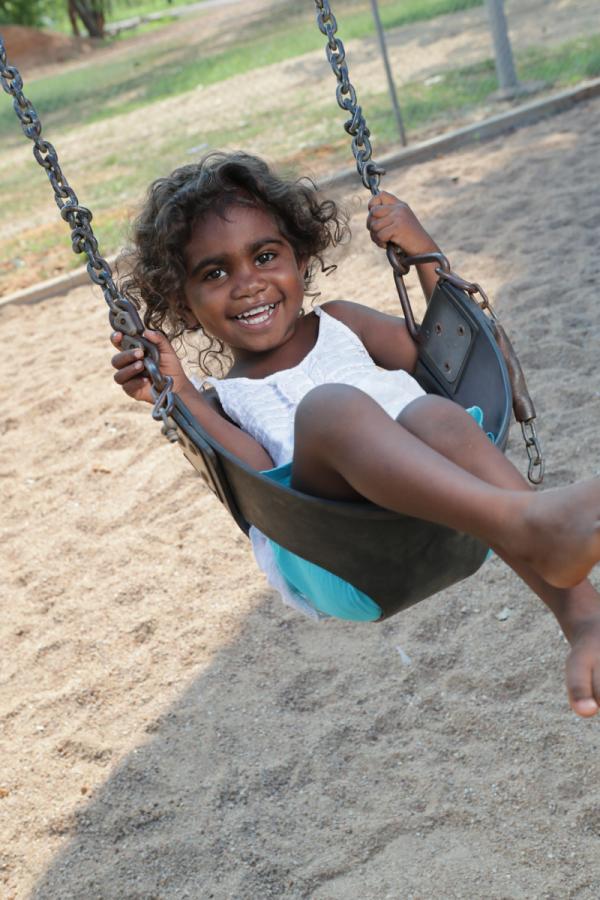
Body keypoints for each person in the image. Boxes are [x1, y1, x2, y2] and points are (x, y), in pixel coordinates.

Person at [111, 151, 600, 717]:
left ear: (300, 257)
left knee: (437, 414)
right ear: (182, 303)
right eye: (214, 273)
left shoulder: (344, 323)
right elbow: (259, 486)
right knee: (333, 408)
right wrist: (180, 394)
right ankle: (529, 520)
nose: (248, 284)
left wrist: (422, 251)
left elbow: (450, 360)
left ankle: (581, 617)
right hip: (339, 556)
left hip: (449, 520)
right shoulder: (226, 398)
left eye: (265, 256)